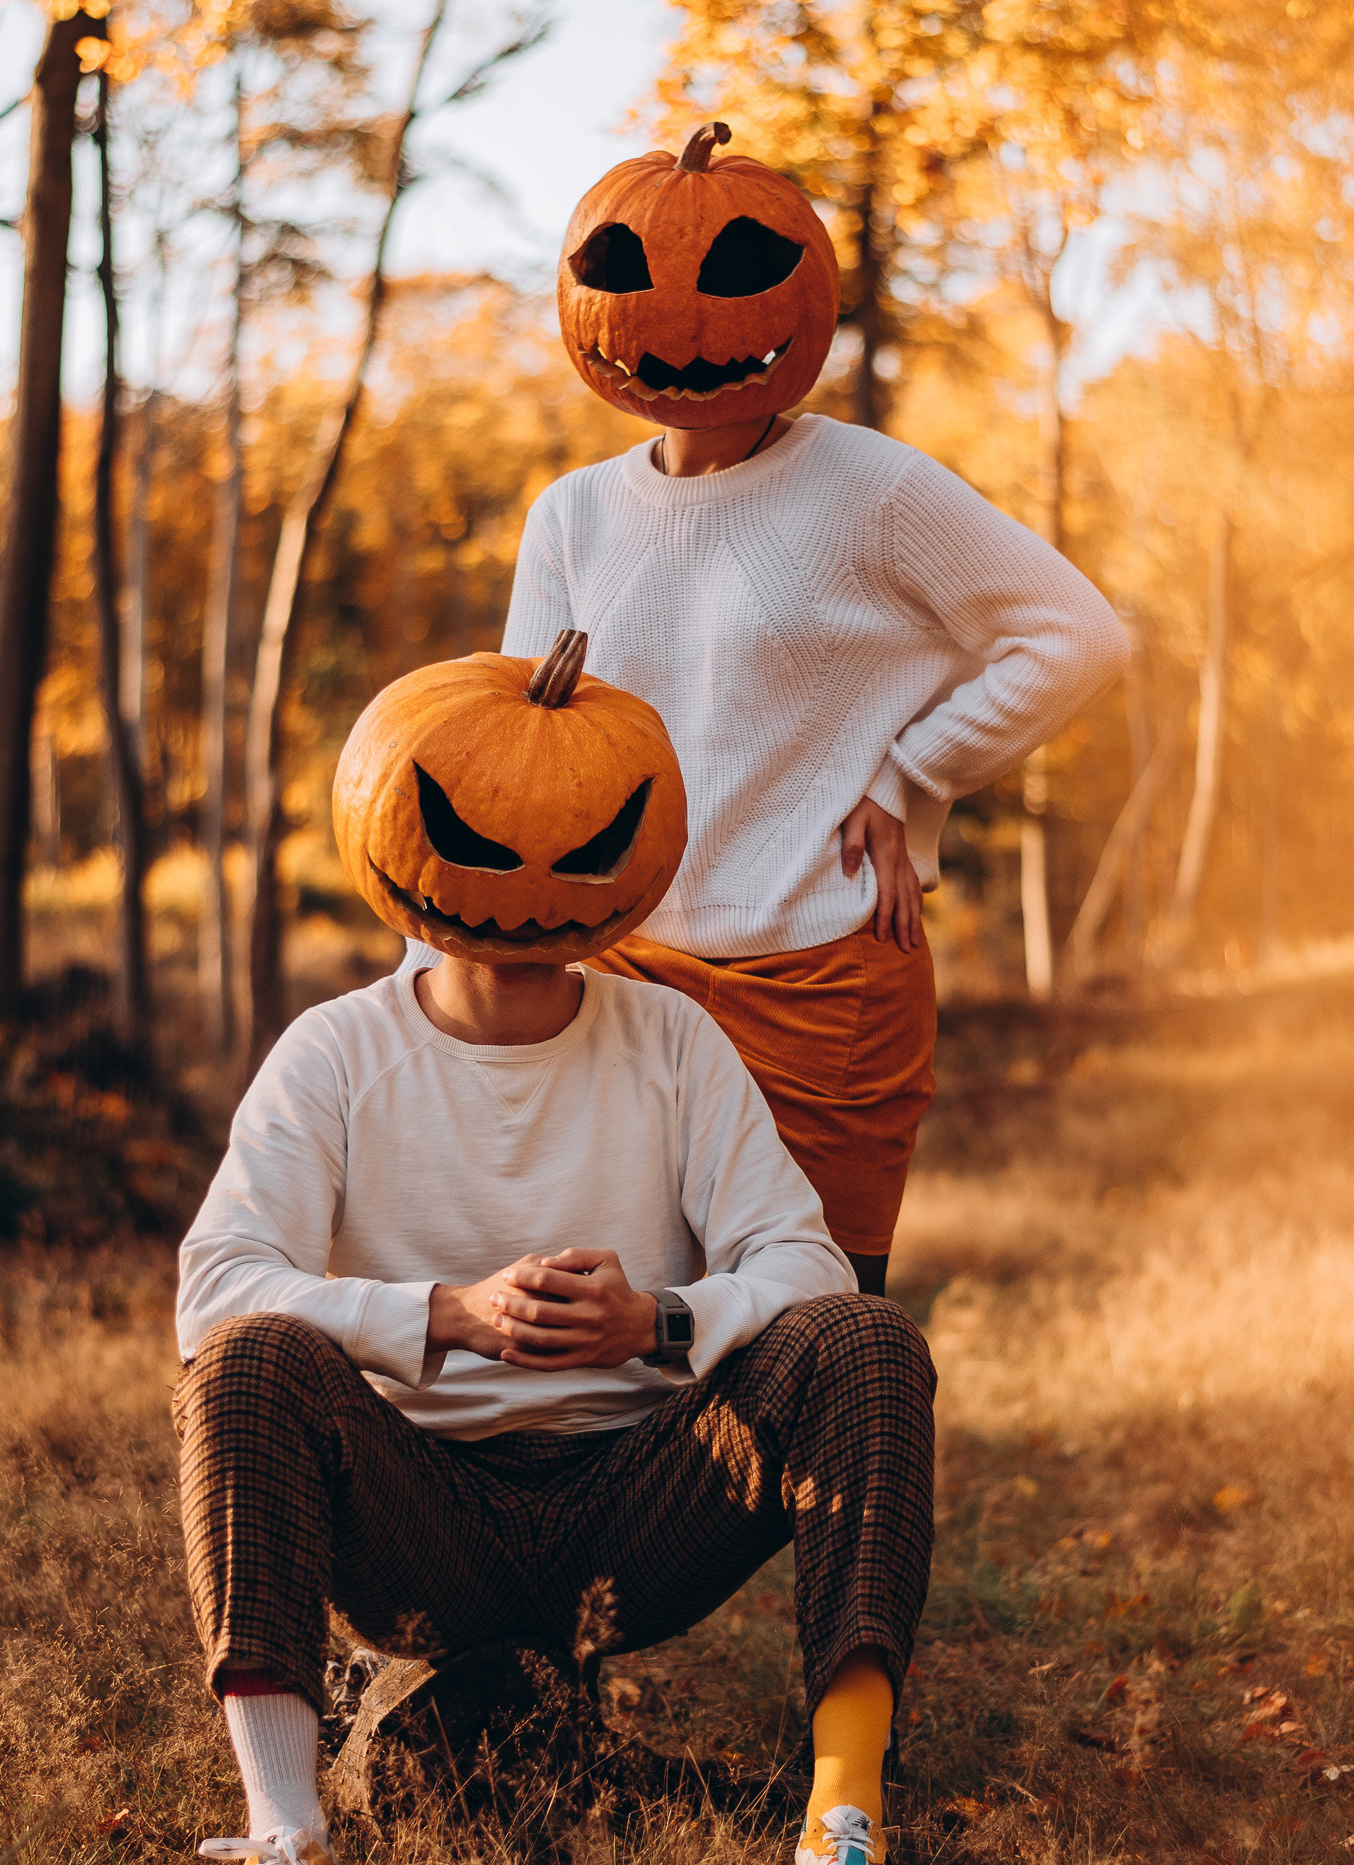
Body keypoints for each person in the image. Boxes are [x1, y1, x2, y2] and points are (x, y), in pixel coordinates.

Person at [174, 644, 937, 1865]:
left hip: (638, 1513)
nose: (528, 881)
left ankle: (838, 1829)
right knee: (247, 1360)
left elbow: (808, 1267)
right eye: (480, 836)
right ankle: (282, 1857)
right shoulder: (337, 1054)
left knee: (865, 1341)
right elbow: (215, 1285)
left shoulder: (674, 1045)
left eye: (577, 847)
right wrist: (443, 1317)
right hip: (418, 1520)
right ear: (398, 836)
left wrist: (659, 1323)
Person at [406, 122, 1130, 1293]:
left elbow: (1077, 633)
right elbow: (514, 761)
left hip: (821, 974)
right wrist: (430, 967)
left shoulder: (874, 489)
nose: (687, 323)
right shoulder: (573, 516)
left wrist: (914, 772)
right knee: (629, 1335)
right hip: (617, 974)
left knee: (814, 1328)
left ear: (804, 296)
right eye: (630, 279)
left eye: (736, 277)